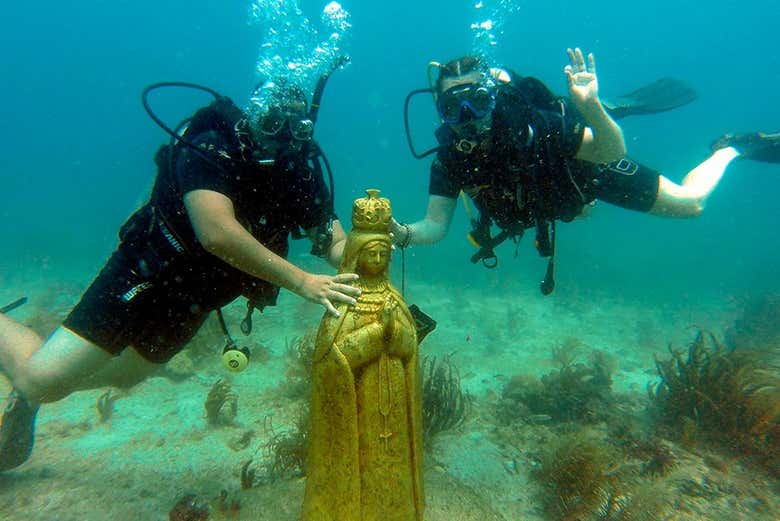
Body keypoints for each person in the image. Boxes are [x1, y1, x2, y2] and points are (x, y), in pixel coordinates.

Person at [0, 76, 361, 471]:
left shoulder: (300, 173)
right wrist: (302, 281)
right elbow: (217, 233)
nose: (285, 136)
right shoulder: (211, 145)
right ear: (255, 114)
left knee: (125, 377)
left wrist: (369, 250)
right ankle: (35, 385)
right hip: (147, 271)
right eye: (274, 121)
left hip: (198, 297)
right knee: (39, 379)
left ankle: (42, 387)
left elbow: (333, 244)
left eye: (297, 127)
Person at [393, 48, 780, 292]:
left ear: (492, 99)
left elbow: (611, 151)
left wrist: (590, 106)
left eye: (476, 101)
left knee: (691, 203)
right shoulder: (452, 159)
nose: (466, 117)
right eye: (451, 108)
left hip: (587, 174)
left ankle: (729, 149)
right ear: (440, 111)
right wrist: (401, 233)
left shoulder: (537, 125)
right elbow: (435, 226)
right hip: (558, 201)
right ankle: (607, 112)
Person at [303, 189, 423, 521]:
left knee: (391, 456)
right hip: (358, 402)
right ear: (356, 254)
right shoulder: (344, 299)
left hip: (394, 399)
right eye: (372, 253)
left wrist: (396, 334)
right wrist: (375, 334)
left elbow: (410, 346)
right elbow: (332, 357)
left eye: (384, 254)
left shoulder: (394, 298)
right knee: (362, 453)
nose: (379, 260)